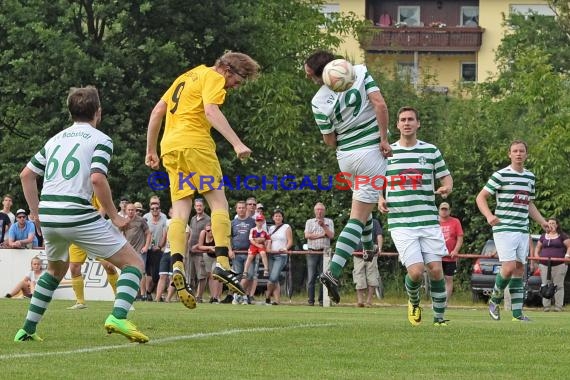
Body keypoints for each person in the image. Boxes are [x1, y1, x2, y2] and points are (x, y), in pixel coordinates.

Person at [15, 86, 147, 343]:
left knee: (55, 271)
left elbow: (26, 175)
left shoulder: (55, 140)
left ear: (70, 112)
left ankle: (27, 330)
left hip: (50, 213)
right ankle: (118, 316)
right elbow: (97, 178)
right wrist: (115, 216)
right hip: (75, 211)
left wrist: (35, 213)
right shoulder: (100, 138)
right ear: (98, 112)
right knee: (134, 263)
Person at [145, 51, 260, 309]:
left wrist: (150, 149)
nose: (234, 87)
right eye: (238, 81)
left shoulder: (187, 76)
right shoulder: (213, 77)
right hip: (196, 145)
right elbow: (210, 110)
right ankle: (223, 263)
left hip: (171, 148)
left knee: (181, 210)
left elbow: (157, 111)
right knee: (219, 204)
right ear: (228, 70)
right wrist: (237, 142)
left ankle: (176, 264)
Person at [304, 50, 391, 304]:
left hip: (346, 160)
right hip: (370, 155)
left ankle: (366, 248)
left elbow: (329, 140)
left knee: (364, 208)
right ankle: (333, 272)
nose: (311, 80)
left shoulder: (318, 101)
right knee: (358, 216)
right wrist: (384, 139)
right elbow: (380, 105)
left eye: (311, 75)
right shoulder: (361, 72)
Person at [378, 106, 453, 326]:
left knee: (437, 270)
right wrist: (379, 199)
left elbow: (446, 179)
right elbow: (376, 182)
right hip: (401, 222)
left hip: (428, 220)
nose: (407, 123)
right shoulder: (387, 152)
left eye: (411, 119)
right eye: (403, 119)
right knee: (417, 271)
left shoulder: (430, 151)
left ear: (418, 123)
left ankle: (439, 319)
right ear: (397, 125)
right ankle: (413, 300)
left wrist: (446, 188)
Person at [476, 139, 549, 322]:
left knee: (518, 269)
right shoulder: (500, 175)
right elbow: (481, 197)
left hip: (522, 229)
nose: (518, 154)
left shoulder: (529, 177)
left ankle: (517, 314)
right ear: (509, 154)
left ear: (526, 154)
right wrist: (489, 216)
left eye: (521, 151)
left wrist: (542, 222)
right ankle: (494, 300)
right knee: (508, 268)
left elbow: (529, 203)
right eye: (515, 151)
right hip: (504, 228)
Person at [67, 196, 120, 310]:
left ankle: (119, 299)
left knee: (109, 265)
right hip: (77, 233)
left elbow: (103, 208)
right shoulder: (72, 191)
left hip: (95, 233)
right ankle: (80, 302)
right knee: (74, 267)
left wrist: (92, 224)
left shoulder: (94, 190)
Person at [533, 218, 570, 312]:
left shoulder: (562, 235)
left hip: (559, 264)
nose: (551, 225)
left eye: (553, 223)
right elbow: (537, 248)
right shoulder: (543, 236)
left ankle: (558, 307)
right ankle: (546, 307)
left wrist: (567, 256)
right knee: (545, 284)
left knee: (558, 285)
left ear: (557, 225)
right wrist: (537, 256)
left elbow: (569, 246)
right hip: (544, 264)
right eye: (549, 223)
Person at [304, 202, 334, 306]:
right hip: (312, 251)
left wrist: (324, 227)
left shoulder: (329, 221)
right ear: (314, 211)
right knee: (311, 277)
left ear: (324, 211)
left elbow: (331, 235)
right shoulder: (309, 222)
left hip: (324, 253)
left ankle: (322, 301)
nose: (319, 211)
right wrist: (322, 235)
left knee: (323, 277)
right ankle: (310, 301)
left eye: (321, 209)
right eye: (318, 209)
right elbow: (307, 235)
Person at [229, 200, 256, 304]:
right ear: (236, 209)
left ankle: (236, 294)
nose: (241, 209)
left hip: (249, 253)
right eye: (239, 208)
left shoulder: (252, 222)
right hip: (236, 253)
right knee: (238, 276)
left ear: (246, 209)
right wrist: (230, 250)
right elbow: (228, 238)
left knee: (248, 275)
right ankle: (243, 296)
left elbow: (257, 236)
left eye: (243, 207)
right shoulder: (232, 223)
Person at [123, 202, 151, 300]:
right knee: (130, 272)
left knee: (141, 272)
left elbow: (148, 233)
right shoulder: (123, 221)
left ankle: (143, 294)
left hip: (140, 250)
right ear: (126, 211)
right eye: (129, 210)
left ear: (135, 211)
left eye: (132, 210)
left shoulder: (141, 220)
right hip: (129, 251)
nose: (131, 211)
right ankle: (133, 294)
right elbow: (121, 235)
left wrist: (146, 246)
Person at [352, 217, 383, 307]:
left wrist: (379, 248)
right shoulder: (355, 222)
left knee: (372, 277)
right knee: (358, 277)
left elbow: (379, 235)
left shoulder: (375, 222)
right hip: (358, 254)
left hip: (371, 254)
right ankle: (360, 301)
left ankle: (369, 301)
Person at [265, 209, 293, 305]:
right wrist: (267, 249)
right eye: (276, 216)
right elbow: (269, 240)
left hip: (281, 255)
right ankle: (277, 301)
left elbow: (290, 241)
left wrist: (285, 248)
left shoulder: (286, 227)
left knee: (273, 278)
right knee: (275, 279)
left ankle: (267, 296)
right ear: (273, 218)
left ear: (282, 218)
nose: (278, 217)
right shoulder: (271, 228)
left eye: (279, 216)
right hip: (271, 254)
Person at [438, 202, 464, 301]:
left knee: (449, 279)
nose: (444, 211)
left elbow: (460, 237)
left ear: (449, 210)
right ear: (439, 210)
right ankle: (436, 301)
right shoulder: (435, 222)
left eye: (446, 209)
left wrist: (456, 250)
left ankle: (445, 302)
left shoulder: (455, 222)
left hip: (450, 257)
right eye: (442, 209)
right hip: (437, 256)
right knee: (437, 279)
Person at [187, 198, 211, 303]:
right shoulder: (192, 218)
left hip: (201, 252)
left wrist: (197, 246)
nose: (199, 207)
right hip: (190, 251)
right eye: (197, 206)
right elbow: (190, 233)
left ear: (204, 207)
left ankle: (199, 297)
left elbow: (207, 236)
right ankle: (191, 296)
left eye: (200, 205)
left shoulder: (208, 219)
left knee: (201, 275)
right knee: (190, 276)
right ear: (194, 207)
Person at [144, 202, 168, 301]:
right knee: (147, 274)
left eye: (157, 208)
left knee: (156, 275)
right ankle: (146, 294)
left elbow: (164, 234)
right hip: (147, 249)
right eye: (153, 208)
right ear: (150, 210)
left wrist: (159, 246)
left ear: (160, 210)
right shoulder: (146, 218)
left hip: (158, 250)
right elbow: (144, 233)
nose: (155, 210)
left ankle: (149, 292)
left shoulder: (163, 219)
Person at [196, 223, 222, 303]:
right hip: (207, 255)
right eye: (208, 230)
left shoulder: (217, 234)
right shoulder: (203, 233)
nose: (210, 232)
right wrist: (209, 247)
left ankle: (216, 297)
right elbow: (200, 246)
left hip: (217, 256)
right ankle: (212, 296)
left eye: (211, 230)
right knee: (210, 275)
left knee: (216, 275)